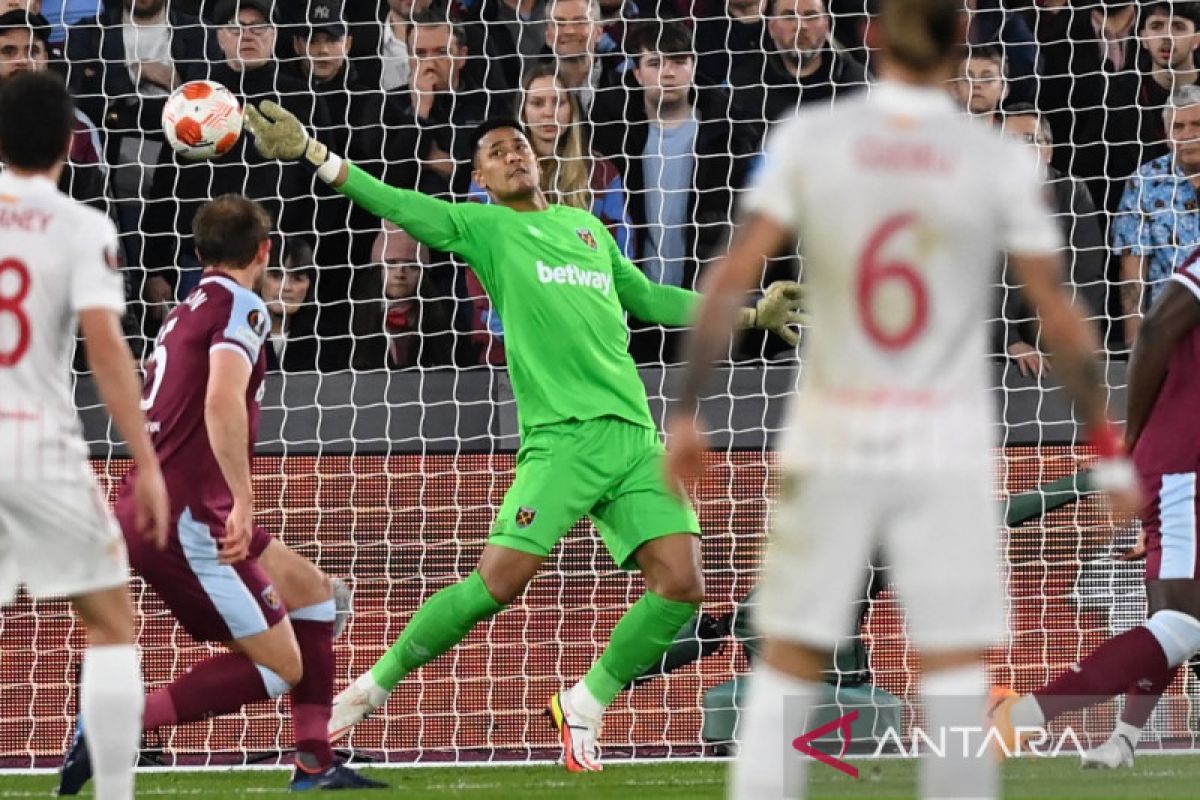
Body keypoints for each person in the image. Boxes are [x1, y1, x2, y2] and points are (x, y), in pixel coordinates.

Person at [663, 0, 1141, 797]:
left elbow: (732, 274)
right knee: (950, 659)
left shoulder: (814, 136)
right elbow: (1058, 310)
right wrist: (1104, 444)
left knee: (787, 647)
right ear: (960, 46)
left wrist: (687, 411)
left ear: (870, 38)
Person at [242, 101, 803, 772]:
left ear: (537, 161)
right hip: (560, 442)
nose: (511, 154)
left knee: (682, 584)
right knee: (495, 585)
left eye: (518, 147)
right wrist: (314, 151)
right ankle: (365, 692)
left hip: (632, 438)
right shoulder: (485, 228)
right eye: (496, 151)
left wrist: (752, 311)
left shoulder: (588, 228)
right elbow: (395, 201)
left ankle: (586, 705)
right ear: (480, 177)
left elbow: (652, 300)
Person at [57, 196, 386, 794]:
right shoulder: (244, 306)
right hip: (191, 514)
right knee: (284, 666)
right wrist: (244, 499)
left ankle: (315, 761)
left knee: (313, 593)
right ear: (263, 251)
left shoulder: (185, 307)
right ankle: (121, 723)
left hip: (160, 495)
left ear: (199, 251)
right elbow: (220, 400)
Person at [0, 71, 169, 800]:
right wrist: (147, 461)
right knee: (110, 621)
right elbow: (107, 354)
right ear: (72, 141)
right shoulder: (82, 226)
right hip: (36, 445)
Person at [990, 206, 1200, 770]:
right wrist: (1133, 439)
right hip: (1184, 460)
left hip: (1182, 463)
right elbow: (1155, 328)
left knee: (1173, 619)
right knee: (1184, 621)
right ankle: (1023, 716)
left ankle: (1123, 741)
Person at [1112, 84, 1200, 346]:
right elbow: (1133, 265)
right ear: (1166, 135)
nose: (1187, 134)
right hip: (1169, 330)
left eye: (1197, 124)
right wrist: (1135, 336)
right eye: (1178, 127)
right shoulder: (1145, 182)